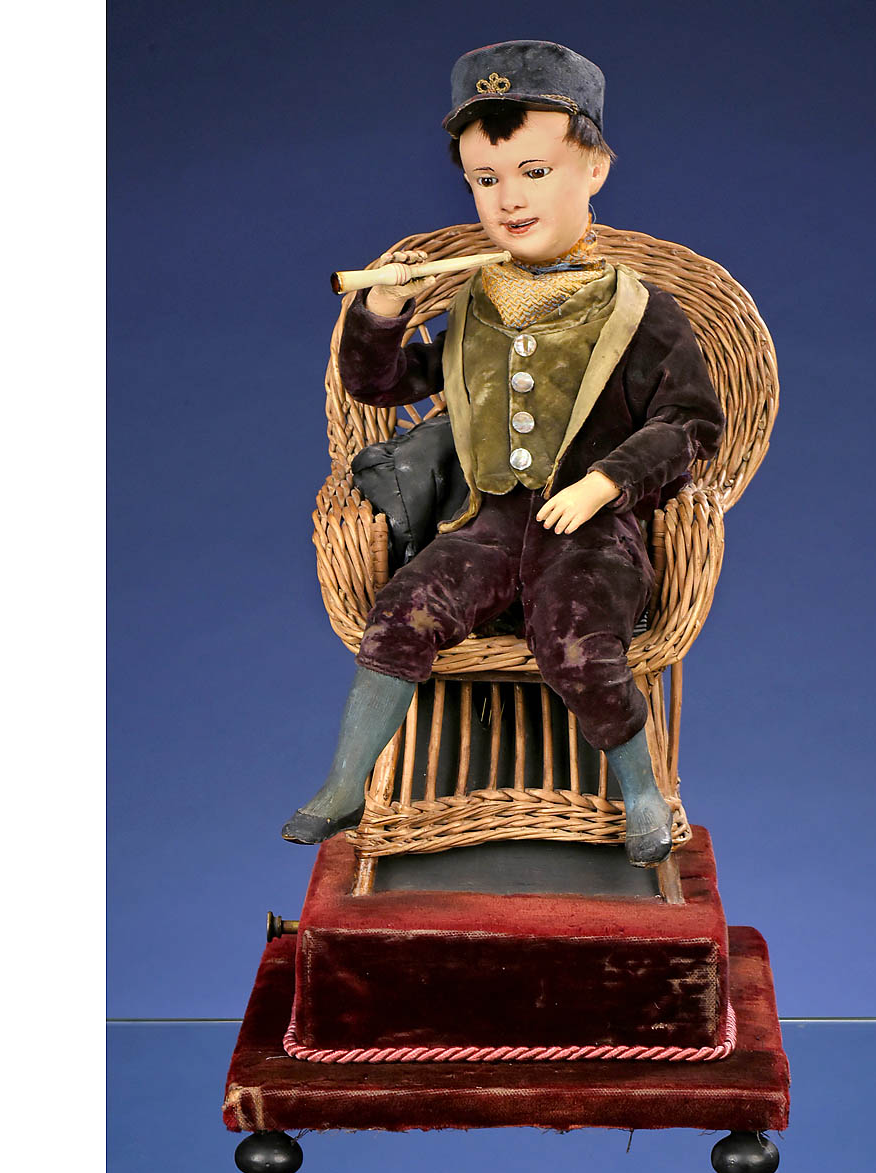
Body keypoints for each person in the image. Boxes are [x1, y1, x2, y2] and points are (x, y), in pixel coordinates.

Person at [282, 40, 724, 865]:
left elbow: (692, 423)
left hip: (591, 535)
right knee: (402, 611)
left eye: (535, 171)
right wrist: (383, 314)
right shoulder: (478, 302)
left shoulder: (639, 310)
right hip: (483, 523)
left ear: (595, 169)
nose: (509, 199)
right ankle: (345, 783)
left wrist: (605, 485)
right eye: (485, 181)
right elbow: (381, 385)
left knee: (578, 642)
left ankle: (640, 792)